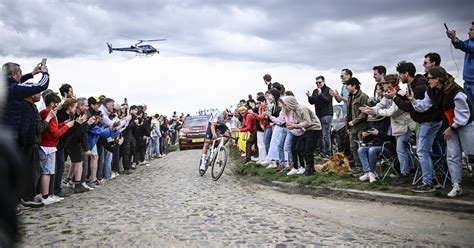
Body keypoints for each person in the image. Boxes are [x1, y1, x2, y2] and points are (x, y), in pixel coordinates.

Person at [409, 66, 474, 197]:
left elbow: (464, 114)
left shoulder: (456, 92)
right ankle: (457, 185)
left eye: (429, 79)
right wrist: (413, 100)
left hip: (465, 125)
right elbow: (424, 106)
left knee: (471, 155)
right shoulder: (431, 91)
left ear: (437, 79)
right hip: (449, 126)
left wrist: (452, 127)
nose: (428, 81)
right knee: (452, 156)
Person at [389, 61, 443, 193]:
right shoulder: (415, 84)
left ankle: (428, 183)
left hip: (427, 122)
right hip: (427, 121)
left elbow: (409, 107)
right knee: (424, 151)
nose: (399, 77)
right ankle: (432, 180)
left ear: (406, 74)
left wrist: (394, 97)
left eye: (400, 74)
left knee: (422, 152)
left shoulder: (419, 87)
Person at [360, 74, 416, 185]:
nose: (382, 87)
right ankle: (408, 170)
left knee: (401, 150)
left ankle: (405, 173)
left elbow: (391, 111)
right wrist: (370, 109)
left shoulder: (400, 94)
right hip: (398, 127)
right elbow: (379, 106)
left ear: (390, 84)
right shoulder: (387, 95)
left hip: (405, 127)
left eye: (384, 84)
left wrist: (375, 112)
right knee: (402, 150)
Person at [39, 93, 74, 205]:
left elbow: (53, 128)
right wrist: (67, 127)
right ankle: (45, 196)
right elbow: (55, 133)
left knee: (50, 171)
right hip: (47, 146)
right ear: (53, 103)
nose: (59, 105)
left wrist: (63, 124)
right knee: (47, 171)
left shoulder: (51, 113)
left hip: (49, 145)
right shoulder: (47, 113)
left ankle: (49, 194)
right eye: (58, 103)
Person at [2, 62, 49, 143]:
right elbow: (41, 85)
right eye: (20, 73)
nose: (21, 75)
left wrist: (32, 73)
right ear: (14, 75)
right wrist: (45, 73)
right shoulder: (15, 89)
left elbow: (14, 81)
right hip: (12, 135)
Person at [283, 96, 322, 176]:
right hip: (308, 130)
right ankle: (311, 167)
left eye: (286, 104)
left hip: (315, 129)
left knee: (308, 150)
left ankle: (309, 169)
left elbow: (308, 123)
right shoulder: (294, 111)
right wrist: (292, 124)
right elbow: (300, 122)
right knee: (299, 149)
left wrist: (295, 126)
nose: (285, 106)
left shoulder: (302, 109)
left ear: (290, 103)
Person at [357, 116, 394, 183]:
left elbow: (392, 138)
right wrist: (365, 136)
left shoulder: (387, 121)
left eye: (370, 114)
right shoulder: (371, 123)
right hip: (375, 146)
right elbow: (369, 139)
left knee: (372, 150)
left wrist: (378, 133)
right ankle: (368, 172)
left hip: (386, 147)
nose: (369, 116)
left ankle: (371, 172)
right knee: (361, 149)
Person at [446, 22, 474, 103]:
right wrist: (453, 38)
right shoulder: (468, 41)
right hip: (467, 83)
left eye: (471, 30)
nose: (468, 32)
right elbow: (459, 45)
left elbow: (468, 48)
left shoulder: (469, 45)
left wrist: (456, 40)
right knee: (470, 111)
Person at [345, 77, 369, 169]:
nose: (347, 87)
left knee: (361, 148)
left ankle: (365, 168)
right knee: (353, 147)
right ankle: (358, 166)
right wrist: (348, 125)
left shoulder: (363, 97)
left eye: (348, 85)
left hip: (361, 127)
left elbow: (365, 112)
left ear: (354, 85)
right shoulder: (350, 97)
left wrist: (354, 121)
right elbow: (349, 113)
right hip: (352, 128)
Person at [307, 75, 333, 157]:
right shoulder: (315, 91)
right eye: (316, 83)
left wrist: (321, 94)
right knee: (320, 134)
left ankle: (328, 152)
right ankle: (322, 152)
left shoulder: (328, 90)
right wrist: (309, 97)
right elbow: (312, 102)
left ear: (323, 82)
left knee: (326, 134)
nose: (318, 84)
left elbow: (328, 100)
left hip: (327, 114)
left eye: (319, 82)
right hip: (318, 114)